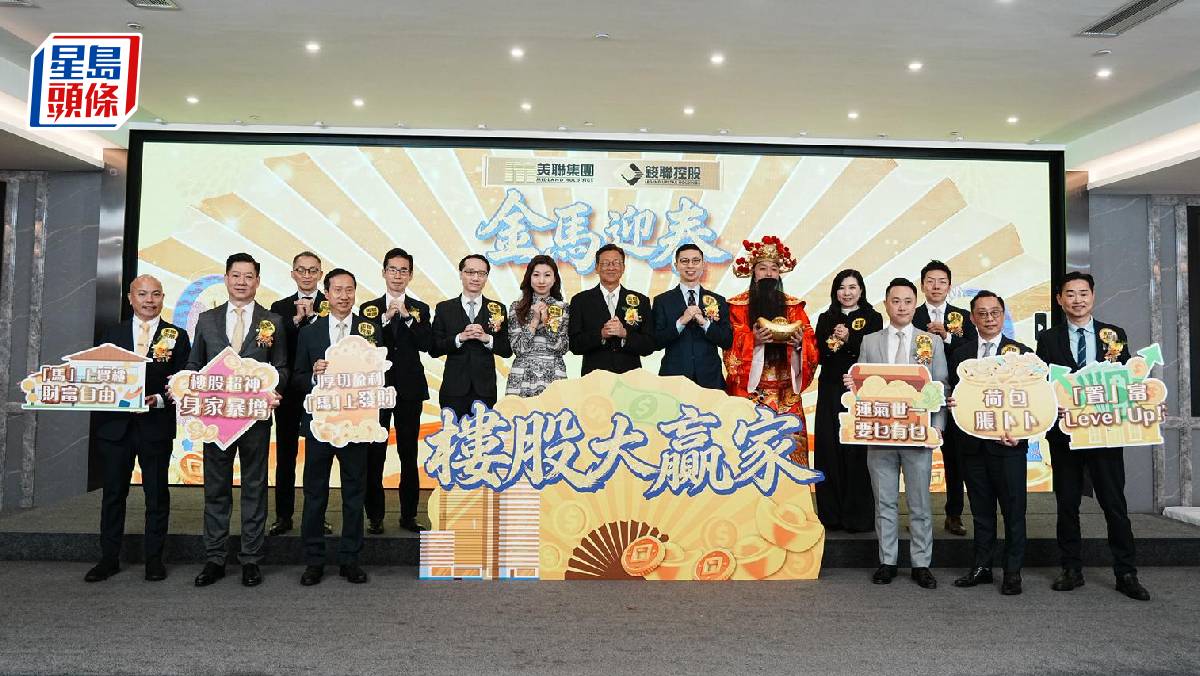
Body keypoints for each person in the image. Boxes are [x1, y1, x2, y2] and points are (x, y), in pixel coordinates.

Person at [1036, 271, 1149, 601]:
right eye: (1070, 294)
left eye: (1083, 293)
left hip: (1105, 434)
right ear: (1060, 299)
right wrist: (1051, 406)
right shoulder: (1049, 339)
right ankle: (1071, 569)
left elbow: (1127, 380)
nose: (1078, 300)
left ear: (1093, 296)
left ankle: (1126, 572)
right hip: (1065, 435)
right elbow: (1042, 384)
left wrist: (1148, 401)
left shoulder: (1114, 335)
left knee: (1114, 504)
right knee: (1067, 504)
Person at [186, 253, 287, 588]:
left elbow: (281, 367)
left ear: (257, 281)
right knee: (216, 488)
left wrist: (275, 389)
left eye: (249, 276)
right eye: (236, 275)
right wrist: (184, 385)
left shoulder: (272, 321)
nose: (242, 282)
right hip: (216, 418)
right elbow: (194, 364)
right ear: (226, 278)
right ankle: (215, 558)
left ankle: (251, 559)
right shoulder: (207, 320)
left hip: (255, 418)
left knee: (254, 487)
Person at [85, 275, 191, 583]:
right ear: (130, 298)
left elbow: (183, 380)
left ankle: (154, 560)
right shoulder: (111, 334)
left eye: (155, 294)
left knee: (156, 495)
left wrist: (159, 398)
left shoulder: (177, 335)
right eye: (142, 294)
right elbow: (97, 375)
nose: (149, 300)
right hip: (115, 427)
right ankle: (108, 559)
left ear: (163, 298)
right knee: (113, 494)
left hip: (155, 425)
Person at [847, 277, 947, 590]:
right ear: (886, 304)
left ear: (915, 305)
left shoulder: (931, 342)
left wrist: (936, 428)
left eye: (907, 301)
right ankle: (887, 560)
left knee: (920, 504)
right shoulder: (870, 341)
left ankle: (921, 563)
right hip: (880, 436)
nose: (901, 307)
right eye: (895, 301)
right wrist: (853, 385)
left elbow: (941, 385)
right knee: (885, 502)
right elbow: (861, 387)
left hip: (917, 435)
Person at [293, 268, 380, 586]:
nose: (344, 296)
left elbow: (381, 375)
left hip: (356, 425)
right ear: (326, 294)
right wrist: (314, 374)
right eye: (338, 290)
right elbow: (297, 378)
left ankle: (350, 559)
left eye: (349, 290)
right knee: (315, 492)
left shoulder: (369, 330)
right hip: (321, 425)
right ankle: (314, 560)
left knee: (354, 493)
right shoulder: (310, 332)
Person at [948, 290, 1028, 596]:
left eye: (994, 312)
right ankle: (982, 566)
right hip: (972, 446)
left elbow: (1034, 401)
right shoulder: (961, 355)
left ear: (1003, 315)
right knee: (981, 512)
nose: (989, 319)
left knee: (1013, 511)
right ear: (972, 318)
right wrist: (951, 402)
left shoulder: (1022, 354)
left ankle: (1012, 571)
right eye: (982, 313)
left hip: (1009, 447)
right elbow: (954, 394)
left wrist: (1023, 432)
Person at [723, 236, 818, 465]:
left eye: (774, 269)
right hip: (749, 392)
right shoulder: (736, 307)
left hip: (786, 392)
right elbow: (729, 343)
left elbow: (811, 342)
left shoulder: (794, 307)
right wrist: (753, 341)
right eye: (762, 268)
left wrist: (799, 344)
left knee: (790, 455)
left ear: (779, 274)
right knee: (747, 456)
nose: (768, 274)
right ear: (753, 273)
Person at [359, 248, 432, 534]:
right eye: (393, 269)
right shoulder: (369, 309)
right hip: (377, 388)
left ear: (410, 275)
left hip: (410, 388)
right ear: (384, 272)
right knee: (374, 453)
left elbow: (427, 344)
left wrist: (408, 318)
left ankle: (409, 515)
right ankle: (375, 516)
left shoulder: (420, 308)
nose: (398, 275)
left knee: (408, 452)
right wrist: (385, 320)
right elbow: (365, 344)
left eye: (403, 270)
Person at [813, 269, 882, 532]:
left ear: (861, 290)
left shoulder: (873, 318)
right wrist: (835, 339)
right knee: (829, 449)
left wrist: (850, 338)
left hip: (860, 390)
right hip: (831, 389)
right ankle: (830, 515)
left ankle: (858, 517)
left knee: (858, 451)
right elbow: (820, 355)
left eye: (852, 287)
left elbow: (874, 352)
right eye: (842, 288)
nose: (847, 293)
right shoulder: (826, 318)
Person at [912, 260, 976, 537]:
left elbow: (972, 350)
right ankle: (918, 514)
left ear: (949, 286)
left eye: (941, 282)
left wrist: (947, 337)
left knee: (954, 457)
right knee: (917, 458)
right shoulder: (912, 314)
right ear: (922, 285)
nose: (936, 286)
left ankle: (954, 514)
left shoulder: (962, 316)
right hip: (918, 396)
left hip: (953, 396)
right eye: (930, 281)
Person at [267, 251, 327, 537]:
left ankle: (318, 518)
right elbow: (272, 344)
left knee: (320, 458)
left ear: (320, 275)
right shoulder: (278, 307)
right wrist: (294, 320)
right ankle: (283, 515)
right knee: (286, 455)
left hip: (323, 390)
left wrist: (314, 319)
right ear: (292, 274)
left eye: (312, 270)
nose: (306, 275)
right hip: (289, 390)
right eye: (301, 270)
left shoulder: (330, 303)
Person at [430, 254, 513, 419]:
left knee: (485, 435)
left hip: (485, 390)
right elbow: (433, 349)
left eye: (481, 273)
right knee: (453, 434)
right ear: (461, 274)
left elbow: (507, 350)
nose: (475, 278)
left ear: (487, 277)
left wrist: (487, 339)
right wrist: (459, 338)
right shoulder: (444, 308)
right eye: (470, 272)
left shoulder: (498, 308)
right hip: (453, 390)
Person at [651, 244, 732, 390]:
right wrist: (681, 322)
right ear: (676, 265)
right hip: (674, 378)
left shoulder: (718, 300)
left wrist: (704, 323)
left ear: (703, 264)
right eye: (684, 261)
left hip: (710, 378)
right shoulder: (662, 301)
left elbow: (726, 340)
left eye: (695, 261)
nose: (690, 265)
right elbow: (655, 342)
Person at [568, 244, 656, 375]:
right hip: (594, 377)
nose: (611, 267)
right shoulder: (580, 301)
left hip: (630, 377)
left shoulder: (641, 301)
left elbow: (649, 345)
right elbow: (574, 345)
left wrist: (625, 334)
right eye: (605, 263)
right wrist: (601, 334)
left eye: (616, 263)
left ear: (623, 268)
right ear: (597, 268)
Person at [507, 255, 570, 397]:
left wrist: (547, 321)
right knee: (519, 411)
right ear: (529, 278)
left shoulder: (563, 308)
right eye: (536, 275)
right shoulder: (517, 307)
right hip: (522, 376)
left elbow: (562, 348)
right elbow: (518, 349)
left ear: (554, 279)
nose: (541, 281)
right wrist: (534, 321)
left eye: (547, 275)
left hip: (554, 375)